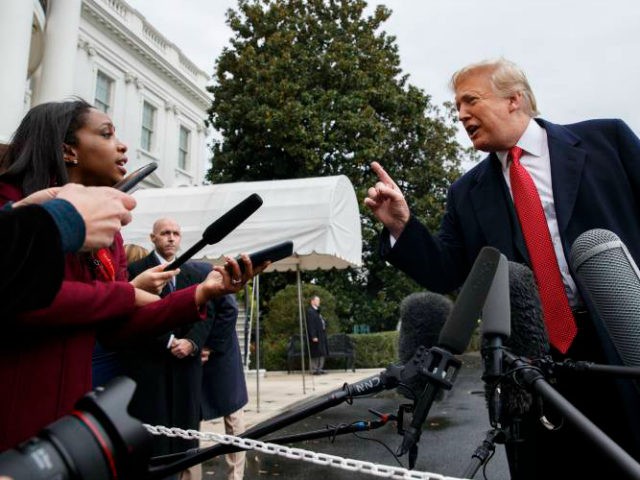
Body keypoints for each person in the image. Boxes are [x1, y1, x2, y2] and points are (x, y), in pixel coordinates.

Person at [365, 58, 640, 479]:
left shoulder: (608, 141)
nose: (460, 115)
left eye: (470, 101)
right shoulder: (465, 192)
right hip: (530, 369)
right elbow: (445, 272)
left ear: (515, 100)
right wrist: (402, 226)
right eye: (456, 106)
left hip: (621, 346)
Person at [0, 99, 260, 452]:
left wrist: (202, 292)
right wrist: (125, 293)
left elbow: (118, 327)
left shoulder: (111, 233)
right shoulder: (13, 203)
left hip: (68, 424)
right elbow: (30, 298)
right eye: (107, 134)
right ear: (68, 151)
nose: (123, 145)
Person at [120, 218, 213, 479]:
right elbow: (132, 315)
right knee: (156, 445)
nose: (171, 238)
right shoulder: (135, 271)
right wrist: (169, 341)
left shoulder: (195, 273)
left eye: (175, 233)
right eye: (165, 233)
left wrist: (192, 342)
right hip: (151, 371)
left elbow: (209, 314)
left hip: (186, 372)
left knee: (187, 444)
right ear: (153, 238)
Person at [1, 183, 135, 317]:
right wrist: (62, 220)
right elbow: (31, 299)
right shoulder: (10, 191)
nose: (125, 161)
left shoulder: (109, 231)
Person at [200, 288, 248, 480]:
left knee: (234, 417)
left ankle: (235, 477)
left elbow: (230, 310)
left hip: (222, 356)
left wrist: (210, 345)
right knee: (190, 418)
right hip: (194, 354)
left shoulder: (209, 275)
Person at [306, 295, 329, 375]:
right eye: (317, 300)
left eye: (319, 300)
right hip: (316, 336)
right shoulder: (310, 311)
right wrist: (313, 336)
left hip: (321, 334)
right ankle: (314, 369)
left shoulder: (317, 311)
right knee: (315, 352)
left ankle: (320, 368)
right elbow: (311, 325)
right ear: (312, 301)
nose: (319, 302)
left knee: (321, 351)